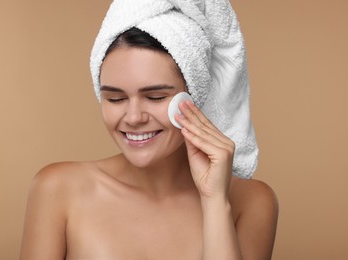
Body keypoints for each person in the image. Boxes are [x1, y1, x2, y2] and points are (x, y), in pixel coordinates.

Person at [20, 1, 278, 259]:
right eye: (115, 99)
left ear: (194, 96)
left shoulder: (252, 202)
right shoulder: (58, 189)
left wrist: (214, 201)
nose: (133, 118)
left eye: (155, 97)